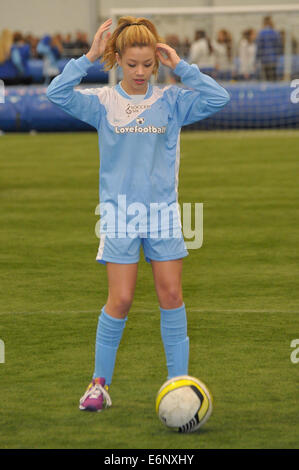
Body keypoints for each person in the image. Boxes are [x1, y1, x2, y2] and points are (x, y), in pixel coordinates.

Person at [46, 16, 230, 412]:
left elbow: (219, 98)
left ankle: (178, 383)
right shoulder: (103, 102)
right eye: (132, 64)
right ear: (117, 60)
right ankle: (98, 385)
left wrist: (182, 68)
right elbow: (56, 93)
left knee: (172, 295)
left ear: (157, 63)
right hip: (119, 216)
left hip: (163, 215)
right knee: (122, 299)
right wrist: (88, 57)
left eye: (148, 65)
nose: (141, 73)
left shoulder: (172, 100)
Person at [255, 16, 283, 81]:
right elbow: (279, 46)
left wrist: (256, 59)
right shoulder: (276, 33)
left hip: (264, 60)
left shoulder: (261, 33)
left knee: (267, 78)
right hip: (273, 59)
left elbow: (259, 48)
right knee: (274, 78)